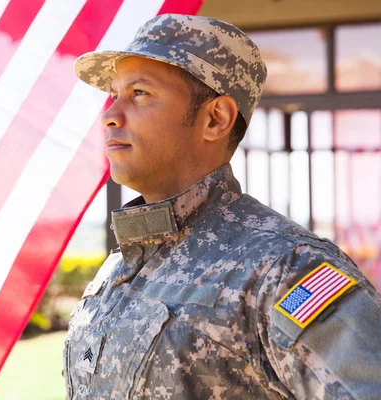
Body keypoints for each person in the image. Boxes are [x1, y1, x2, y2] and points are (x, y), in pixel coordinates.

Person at [63, 13, 381, 400]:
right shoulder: (119, 268)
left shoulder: (286, 268)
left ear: (216, 119)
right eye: (114, 95)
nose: (110, 115)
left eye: (140, 93)